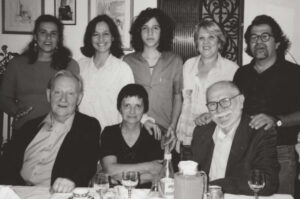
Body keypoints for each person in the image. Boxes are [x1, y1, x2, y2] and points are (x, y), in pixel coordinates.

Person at [0, 70, 100, 193]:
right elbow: (7, 162)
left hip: (54, 194)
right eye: (57, 92)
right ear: (49, 95)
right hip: (16, 191)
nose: (63, 99)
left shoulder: (88, 126)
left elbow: (87, 162)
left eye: (70, 94)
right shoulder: (29, 126)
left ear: (79, 98)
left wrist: (72, 180)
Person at [233, 15, 300, 195]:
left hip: (282, 154)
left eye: (265, 36)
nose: (258, 41)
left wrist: (277, 120)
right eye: (253, 37)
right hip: (247, 152)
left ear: (277, 43)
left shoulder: (294, 73)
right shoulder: (242, 74)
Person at [192, 81, 279, 195]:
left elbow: (267, 183)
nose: (219, 110)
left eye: (225, 101)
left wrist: (213, 186)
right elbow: (189, 170)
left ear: (241, 101)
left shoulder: (259, 133)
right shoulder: (202, 131)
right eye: (213, 104)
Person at [0, 14, 79, 130]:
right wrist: (16, 111)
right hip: (24, 129)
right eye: (43, 32)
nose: (48, 37)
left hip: (59, 132)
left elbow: (74, 100)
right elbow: (3, 97)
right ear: (35, 37)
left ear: (58, 38)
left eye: (53, 33)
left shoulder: (70, 65)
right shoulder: (16, 64)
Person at [123, 8, 183, 151]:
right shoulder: (128, 61)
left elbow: (177, 96)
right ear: (139, 31)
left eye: (155, 28)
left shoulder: (174, 61)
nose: (150, 33)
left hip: (164, 132)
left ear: (163, 31)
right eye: (145, 28)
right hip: (134, 128)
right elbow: (123, 98)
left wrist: (173, 127)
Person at [176, 20, 238, 150]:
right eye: (201, 38)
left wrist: (213, 115)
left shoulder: (232, 70)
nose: (206, 42)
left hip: (215, 141)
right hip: (185, 139)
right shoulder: (187, 65)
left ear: (219, 41)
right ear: (196, 42)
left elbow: (237, 108)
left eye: (211, 37)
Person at [100, 84, 163, 188]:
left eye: (138, 106)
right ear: (119, 108)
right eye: (127, 105)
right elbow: (110, 169)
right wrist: (149, 166)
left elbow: (157, 173)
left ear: (144, 109)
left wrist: (118, 176)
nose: (132, 111)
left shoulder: (152, 134)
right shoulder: (109, 133)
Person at [79, 15, 134, 131]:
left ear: (113, 37)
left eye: (105, 34)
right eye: (95, 34)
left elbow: (130, 105)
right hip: (82, 136)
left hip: (111, 136)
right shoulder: (80, 67)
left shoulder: (123, 69)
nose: (101, 39)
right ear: (90, 38)